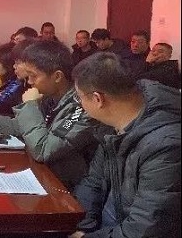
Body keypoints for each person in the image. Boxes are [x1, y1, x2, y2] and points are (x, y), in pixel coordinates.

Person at [0, 40, 107, 191]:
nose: (29, 82)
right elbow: (25, 127)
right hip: (43, 175)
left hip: (65, 187)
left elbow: (44, 150)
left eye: (33, 76)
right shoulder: (49, 97)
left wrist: (29, 106)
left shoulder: (80, 107)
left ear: (57, 76)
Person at [69, 52, 180, 238]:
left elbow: (146, 227)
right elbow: (93, 182)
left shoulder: (166, 146)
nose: (79, 104)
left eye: (79, 97)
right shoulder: (112, 124)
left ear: (98, 99)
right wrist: (82, 227)